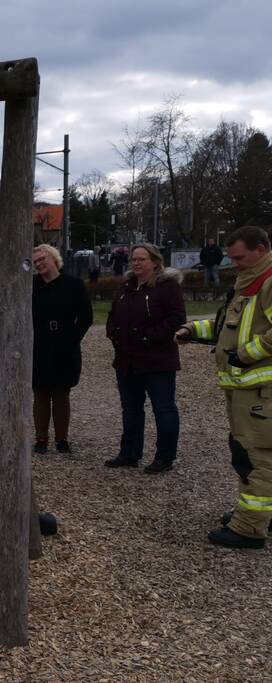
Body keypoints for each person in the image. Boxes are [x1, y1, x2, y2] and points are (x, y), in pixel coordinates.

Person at [178, 225, 272, 549]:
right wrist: (193, 330)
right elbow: (227, 328)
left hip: (260, 390)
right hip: (247, 389)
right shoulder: (248, 283)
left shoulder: (267, 283)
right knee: (249, 453)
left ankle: (249, 528)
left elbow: (253, 340)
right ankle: (259, 515)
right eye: (232, 258)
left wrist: (245, 355)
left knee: (255, 457)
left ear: (261, 250)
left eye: (240, 258)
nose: (234, 264)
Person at [105, 243, 186, 473]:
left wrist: (148, 337)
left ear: (155, 261)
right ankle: (129, 452)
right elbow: (113, 314)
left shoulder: (167, 287)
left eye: (142, 259)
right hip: (127, 359)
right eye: (134, 259)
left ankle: (165, 457)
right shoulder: (126, 286)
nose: (137, 263)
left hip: (157, 359)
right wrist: (113, 333)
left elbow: (176, 318)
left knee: (163, 408)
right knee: (130, 408)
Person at [31, 244, 93, 455]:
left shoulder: (73, 285)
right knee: (40, 393)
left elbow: (86, 317)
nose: (39, 264)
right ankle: (41, 438)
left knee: (61, 393)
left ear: (53, 258)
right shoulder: (31, 286)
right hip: (38, 345)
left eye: (42, 259)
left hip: (65, 344)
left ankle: (61, 439)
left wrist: (73, 339)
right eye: (36, 262)